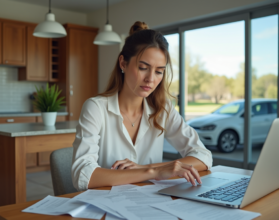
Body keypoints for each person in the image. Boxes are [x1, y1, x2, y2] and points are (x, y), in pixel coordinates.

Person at [71, 21, 212, 191]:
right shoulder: (96, 108)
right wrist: (153, 171)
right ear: (123, 63)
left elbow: (203, 156)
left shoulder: (163, 108)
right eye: (143, 68)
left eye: (159, 71)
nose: (151, 79)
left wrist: (145, 168)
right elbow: (83, 175)